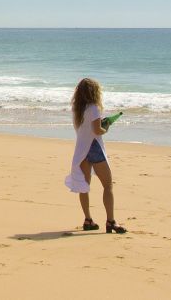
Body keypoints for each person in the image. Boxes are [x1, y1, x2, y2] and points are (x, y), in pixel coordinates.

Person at [63, 78, 127, 234]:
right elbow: (97, 131)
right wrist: (106, 128)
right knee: (108, 186)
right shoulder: (94, 108)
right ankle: (111, 221)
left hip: (81, 150)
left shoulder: (77, 109)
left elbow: (85, 129)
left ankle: (88, 219)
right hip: (94, 148)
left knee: (84, 187)